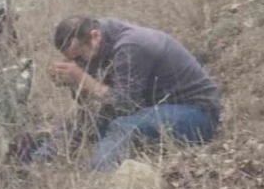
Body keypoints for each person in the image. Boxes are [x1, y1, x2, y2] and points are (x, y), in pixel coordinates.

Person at [33, 16, 220, 171]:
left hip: (198, 113)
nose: (79, 63)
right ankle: (36, 164)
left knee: (121, 127)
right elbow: (92, 105)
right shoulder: (99, 41)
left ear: (94, 36)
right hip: (155, 106)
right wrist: (73, 83)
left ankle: (98, 175)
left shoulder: (131, 45)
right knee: (83, 125)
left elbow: (126, 104)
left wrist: (80, 77)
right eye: (73, 60)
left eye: (80, 57)